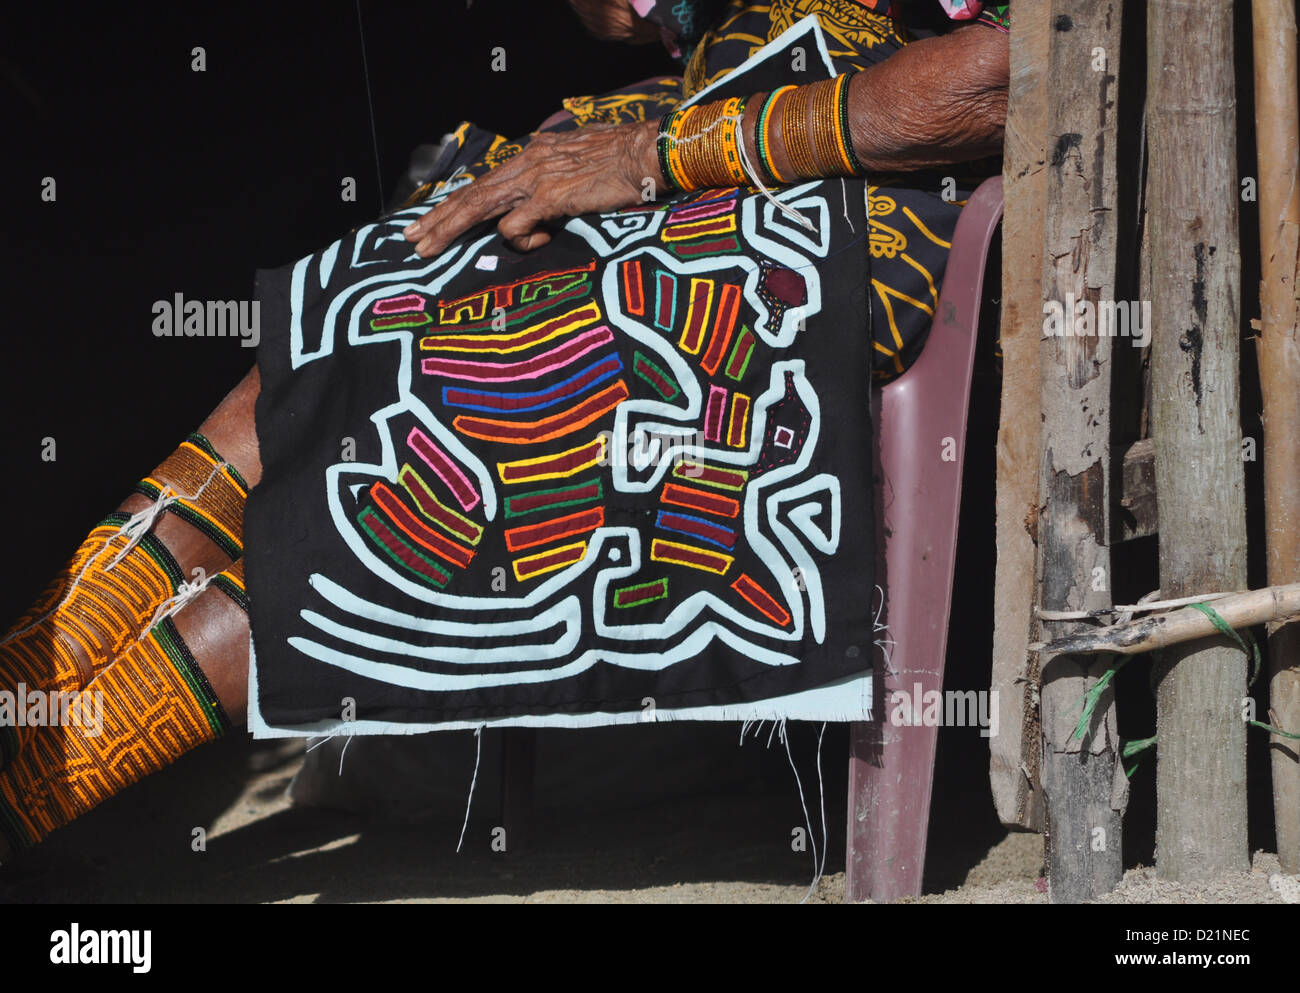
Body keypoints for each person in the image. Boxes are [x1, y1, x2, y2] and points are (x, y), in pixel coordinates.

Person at [0, 0, 1009, 863]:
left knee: (476, 394)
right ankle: (26, 686)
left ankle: (39, 782)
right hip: (716, 181)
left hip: (836, 230)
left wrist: (645, 155)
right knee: (364, 302)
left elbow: (998, 74)